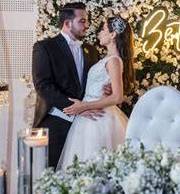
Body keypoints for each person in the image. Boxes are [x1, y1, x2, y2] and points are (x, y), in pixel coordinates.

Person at [32, 2, 105, 169]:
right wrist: (77, 109)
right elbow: (43, 86)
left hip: (87, 124)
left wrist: (104, 88)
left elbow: (93, 82)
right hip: (57, 122)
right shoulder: (44, 47)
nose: (87, 25)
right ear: (67, 23)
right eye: (82, 21)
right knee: (53, 175)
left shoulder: (91, 51)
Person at [57, 17, 135, 170]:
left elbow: (117, 97)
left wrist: (84, 106)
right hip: (89, 117)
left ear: (113, 35)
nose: (99, 33)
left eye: (103, 29)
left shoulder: (114, 61)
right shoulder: (107, 59)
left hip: (100, 118)